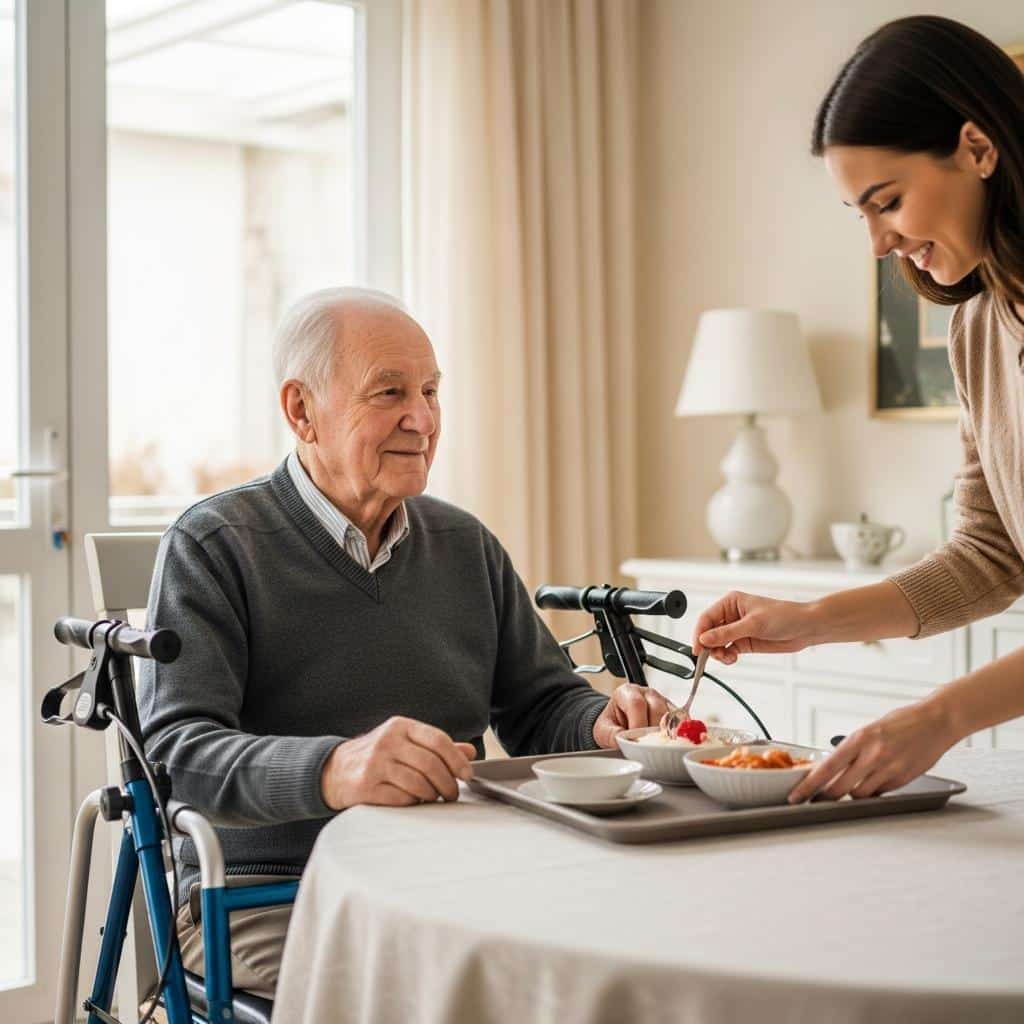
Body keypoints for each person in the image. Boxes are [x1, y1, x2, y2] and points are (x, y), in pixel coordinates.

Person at [138, 287, 670, 997]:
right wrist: (334, 770)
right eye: (388, 392)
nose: (421, 419)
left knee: (624, 952)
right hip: (272, 896)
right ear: (301, 410)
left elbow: (541, 705)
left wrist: (600, 722)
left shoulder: (463, 543)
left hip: (458, 873)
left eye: (429, 391)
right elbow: (176, 758)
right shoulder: (214, 545)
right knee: (455, 991)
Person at [693, 15, 1024, 804]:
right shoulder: (977, 328)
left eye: (889, 201)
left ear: (978, 149)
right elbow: (990, 556)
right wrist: (809, 619)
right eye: (861, 214)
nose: (878, 243)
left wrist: (942, 716)